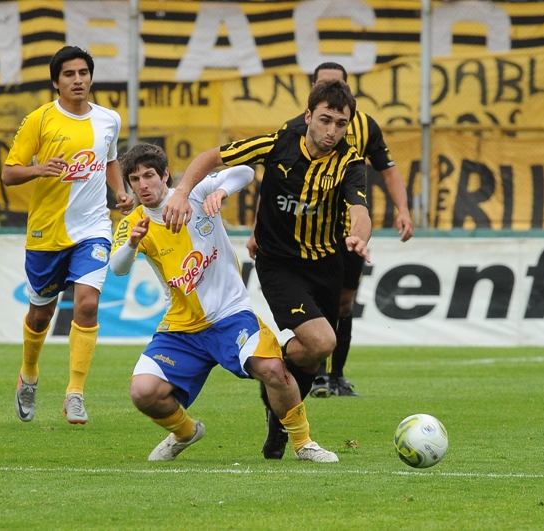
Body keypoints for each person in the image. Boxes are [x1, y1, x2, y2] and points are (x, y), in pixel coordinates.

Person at [162, 79, 372, 460]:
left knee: (310, 355)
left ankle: (277, 420)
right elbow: (213, 157)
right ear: (308, 116)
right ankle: (283, 404)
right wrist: (180, 191)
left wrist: (359, 236)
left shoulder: (350, 161)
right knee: (322, 343)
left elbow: (360, 211)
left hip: (327, 264)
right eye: (325, 120)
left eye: (341, 124)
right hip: (279, 264)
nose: (331, 131)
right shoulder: (279, 142)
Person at [110, 143, 338, 463]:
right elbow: (117, 268)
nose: (143, 185)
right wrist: (133, 243)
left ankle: (304, 444)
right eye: (135, 179)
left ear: (165, 175)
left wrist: (222, 191)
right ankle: (185, 432)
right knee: (143, 393)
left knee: (274, 370)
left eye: (149, 175)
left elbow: (245, 171)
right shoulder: (133, 223)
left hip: (231, 316)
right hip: (182, 328)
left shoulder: (196, 192)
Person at [251, 62, 414, 398]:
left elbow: (386, 171)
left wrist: (403, 210)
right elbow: (274, 186)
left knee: (343, 304)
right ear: (312, 95)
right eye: (324, 85)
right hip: (301, 237)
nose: (333, 127)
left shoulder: (364, 127)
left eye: (337, 85)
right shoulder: (294, 128)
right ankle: (311, 373)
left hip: (348, 236)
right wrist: (257, 229)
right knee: (318, 321)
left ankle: (335, 375)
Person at [2, 46, 134, 425]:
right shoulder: (40, 120)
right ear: (56, 82)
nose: (78, 80)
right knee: (40, 315)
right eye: (69, 74)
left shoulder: (109, 119)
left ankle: (75, 393)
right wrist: (39, 169)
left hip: (93, 228)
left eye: (83, 73)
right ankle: (28, 375)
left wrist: (120, 191)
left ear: (91, 77)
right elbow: (9, 173)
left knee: (88, 305)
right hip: (47, 231)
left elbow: (109, 159)